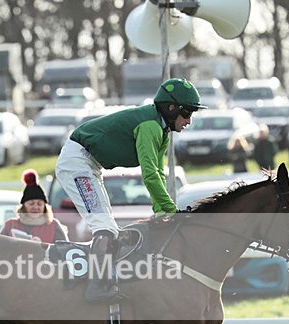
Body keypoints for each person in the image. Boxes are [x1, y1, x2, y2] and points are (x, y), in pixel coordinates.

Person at [55, 78, 205, 302]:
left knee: (111, 232)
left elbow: (157, 172)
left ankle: (105, 281)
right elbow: (149, 175)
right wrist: (169, 209)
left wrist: (161, 210)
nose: (189, 121)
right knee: (103, 227)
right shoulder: (150, 126)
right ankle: (95, 287)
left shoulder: (162, 129)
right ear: (171, 108)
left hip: (89, 164)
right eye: (187, 114)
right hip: (77, 163)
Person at [0, 170, 68, 324]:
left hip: (45, 290)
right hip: (18, 291)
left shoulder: (54, 225)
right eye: (32, 203)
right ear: (24, 206)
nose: (36, 207)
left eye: (39, 203)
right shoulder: (10, 226)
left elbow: (65, 252)